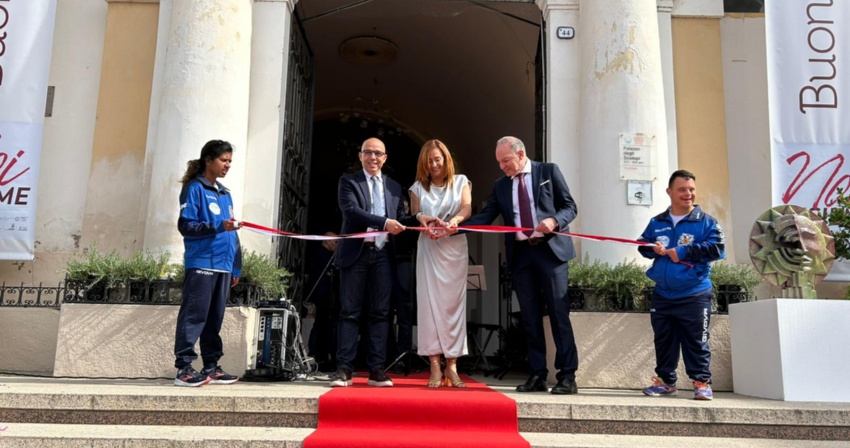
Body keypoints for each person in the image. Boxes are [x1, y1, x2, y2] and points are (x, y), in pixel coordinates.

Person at [461, 136, 579, 395]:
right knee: (529, 318)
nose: (502, 167)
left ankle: (567, 376)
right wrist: (455, 228)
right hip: (522, 256)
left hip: (551, 253)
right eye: (499, 163)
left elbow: (570, 207)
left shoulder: (548, 171)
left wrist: (555, 221)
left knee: (559, 315)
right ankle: (537, 374)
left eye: (506, 161)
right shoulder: (501, 185)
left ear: (521, 153)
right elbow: (486, 216)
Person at [330, 137, 419, 387]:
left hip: (384, 255)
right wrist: (384, 223)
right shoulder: (349, 181)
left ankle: (377, 369)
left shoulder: (393, 187)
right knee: (349, 312)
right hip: (356, 254)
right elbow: (351, 212)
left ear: (385, 158)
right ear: (360, 156)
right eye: (368, 152)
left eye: (378, 153)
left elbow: (399, 217)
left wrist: (420, 217)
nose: (373, 157)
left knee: (381, 313)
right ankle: (344, 369)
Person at [637, 169, 725, 401]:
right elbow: (641, 245)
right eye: (682, 189)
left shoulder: (707, 222)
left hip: (694, 293)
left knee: (696, 341)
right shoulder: (657, 222)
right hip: (663, 294)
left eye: (691, 189)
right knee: (664, 341)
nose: (688, 194)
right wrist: (650, 247)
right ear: (670, 192)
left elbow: (717, 249)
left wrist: (684, 251)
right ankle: (666, 382)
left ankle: (701, 383)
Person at [173, 139, 243, 387]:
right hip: (202, 262)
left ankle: (211, 366)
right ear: (208, 160)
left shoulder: (225, 194)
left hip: (223, 266)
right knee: (194, 317)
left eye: (230, 161)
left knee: (214, 319)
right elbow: (186, 226)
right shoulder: (194, 189)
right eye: (224, 160)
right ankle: (184, 369)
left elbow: (232, 234)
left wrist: (236, 266)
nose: (227, 165)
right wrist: (217, 225)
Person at [409, 139, 472, 388]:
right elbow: (414, 216)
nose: (434, 165)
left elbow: (467, 207)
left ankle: (452, 365)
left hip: (454, 247)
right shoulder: (416, 188)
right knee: (428, 305)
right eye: (429, 161)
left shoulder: (461, 181)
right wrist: (423, 221)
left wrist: (455, 220)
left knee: (453, 307)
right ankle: (434, 363)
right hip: (429, 248)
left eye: (438, 159)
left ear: (446, 159)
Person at [306, 233, 339, 373]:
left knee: (324, 324)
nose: (337, 245)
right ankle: (317, 355)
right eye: (335, 242)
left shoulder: (322, 254)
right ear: (327, 241)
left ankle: (321, 355)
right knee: (321, 324)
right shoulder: (321, 254)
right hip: (322, 294)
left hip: (326, 294)